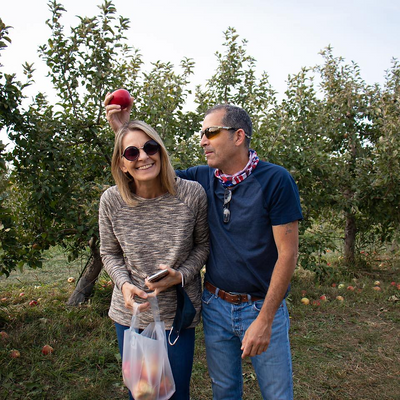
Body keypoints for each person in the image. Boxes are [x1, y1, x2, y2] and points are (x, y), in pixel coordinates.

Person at [105, 96, 302, 399]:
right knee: (224, 391)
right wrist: (121, 128)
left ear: (238, 136)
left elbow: (287, 255)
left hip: (260, 307)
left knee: (276, 393)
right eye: (201, 134)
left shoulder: (275, 180)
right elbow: (146, 169)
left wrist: (265, 319)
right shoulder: (203, 178)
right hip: (215, 305)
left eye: (210, 133)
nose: (202, 141)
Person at [98, 119, 209, 400]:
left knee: (175, 393)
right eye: (131, 153)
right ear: (122, 164)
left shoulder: (191, 194)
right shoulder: (112, 201)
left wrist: (181, 274)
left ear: (160, 151)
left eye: (150, 147)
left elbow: (203, 245)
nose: (143, 157)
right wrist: (123, 285)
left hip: (178, 315)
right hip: (132, 314)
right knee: (144, 393)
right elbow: (109, 252)